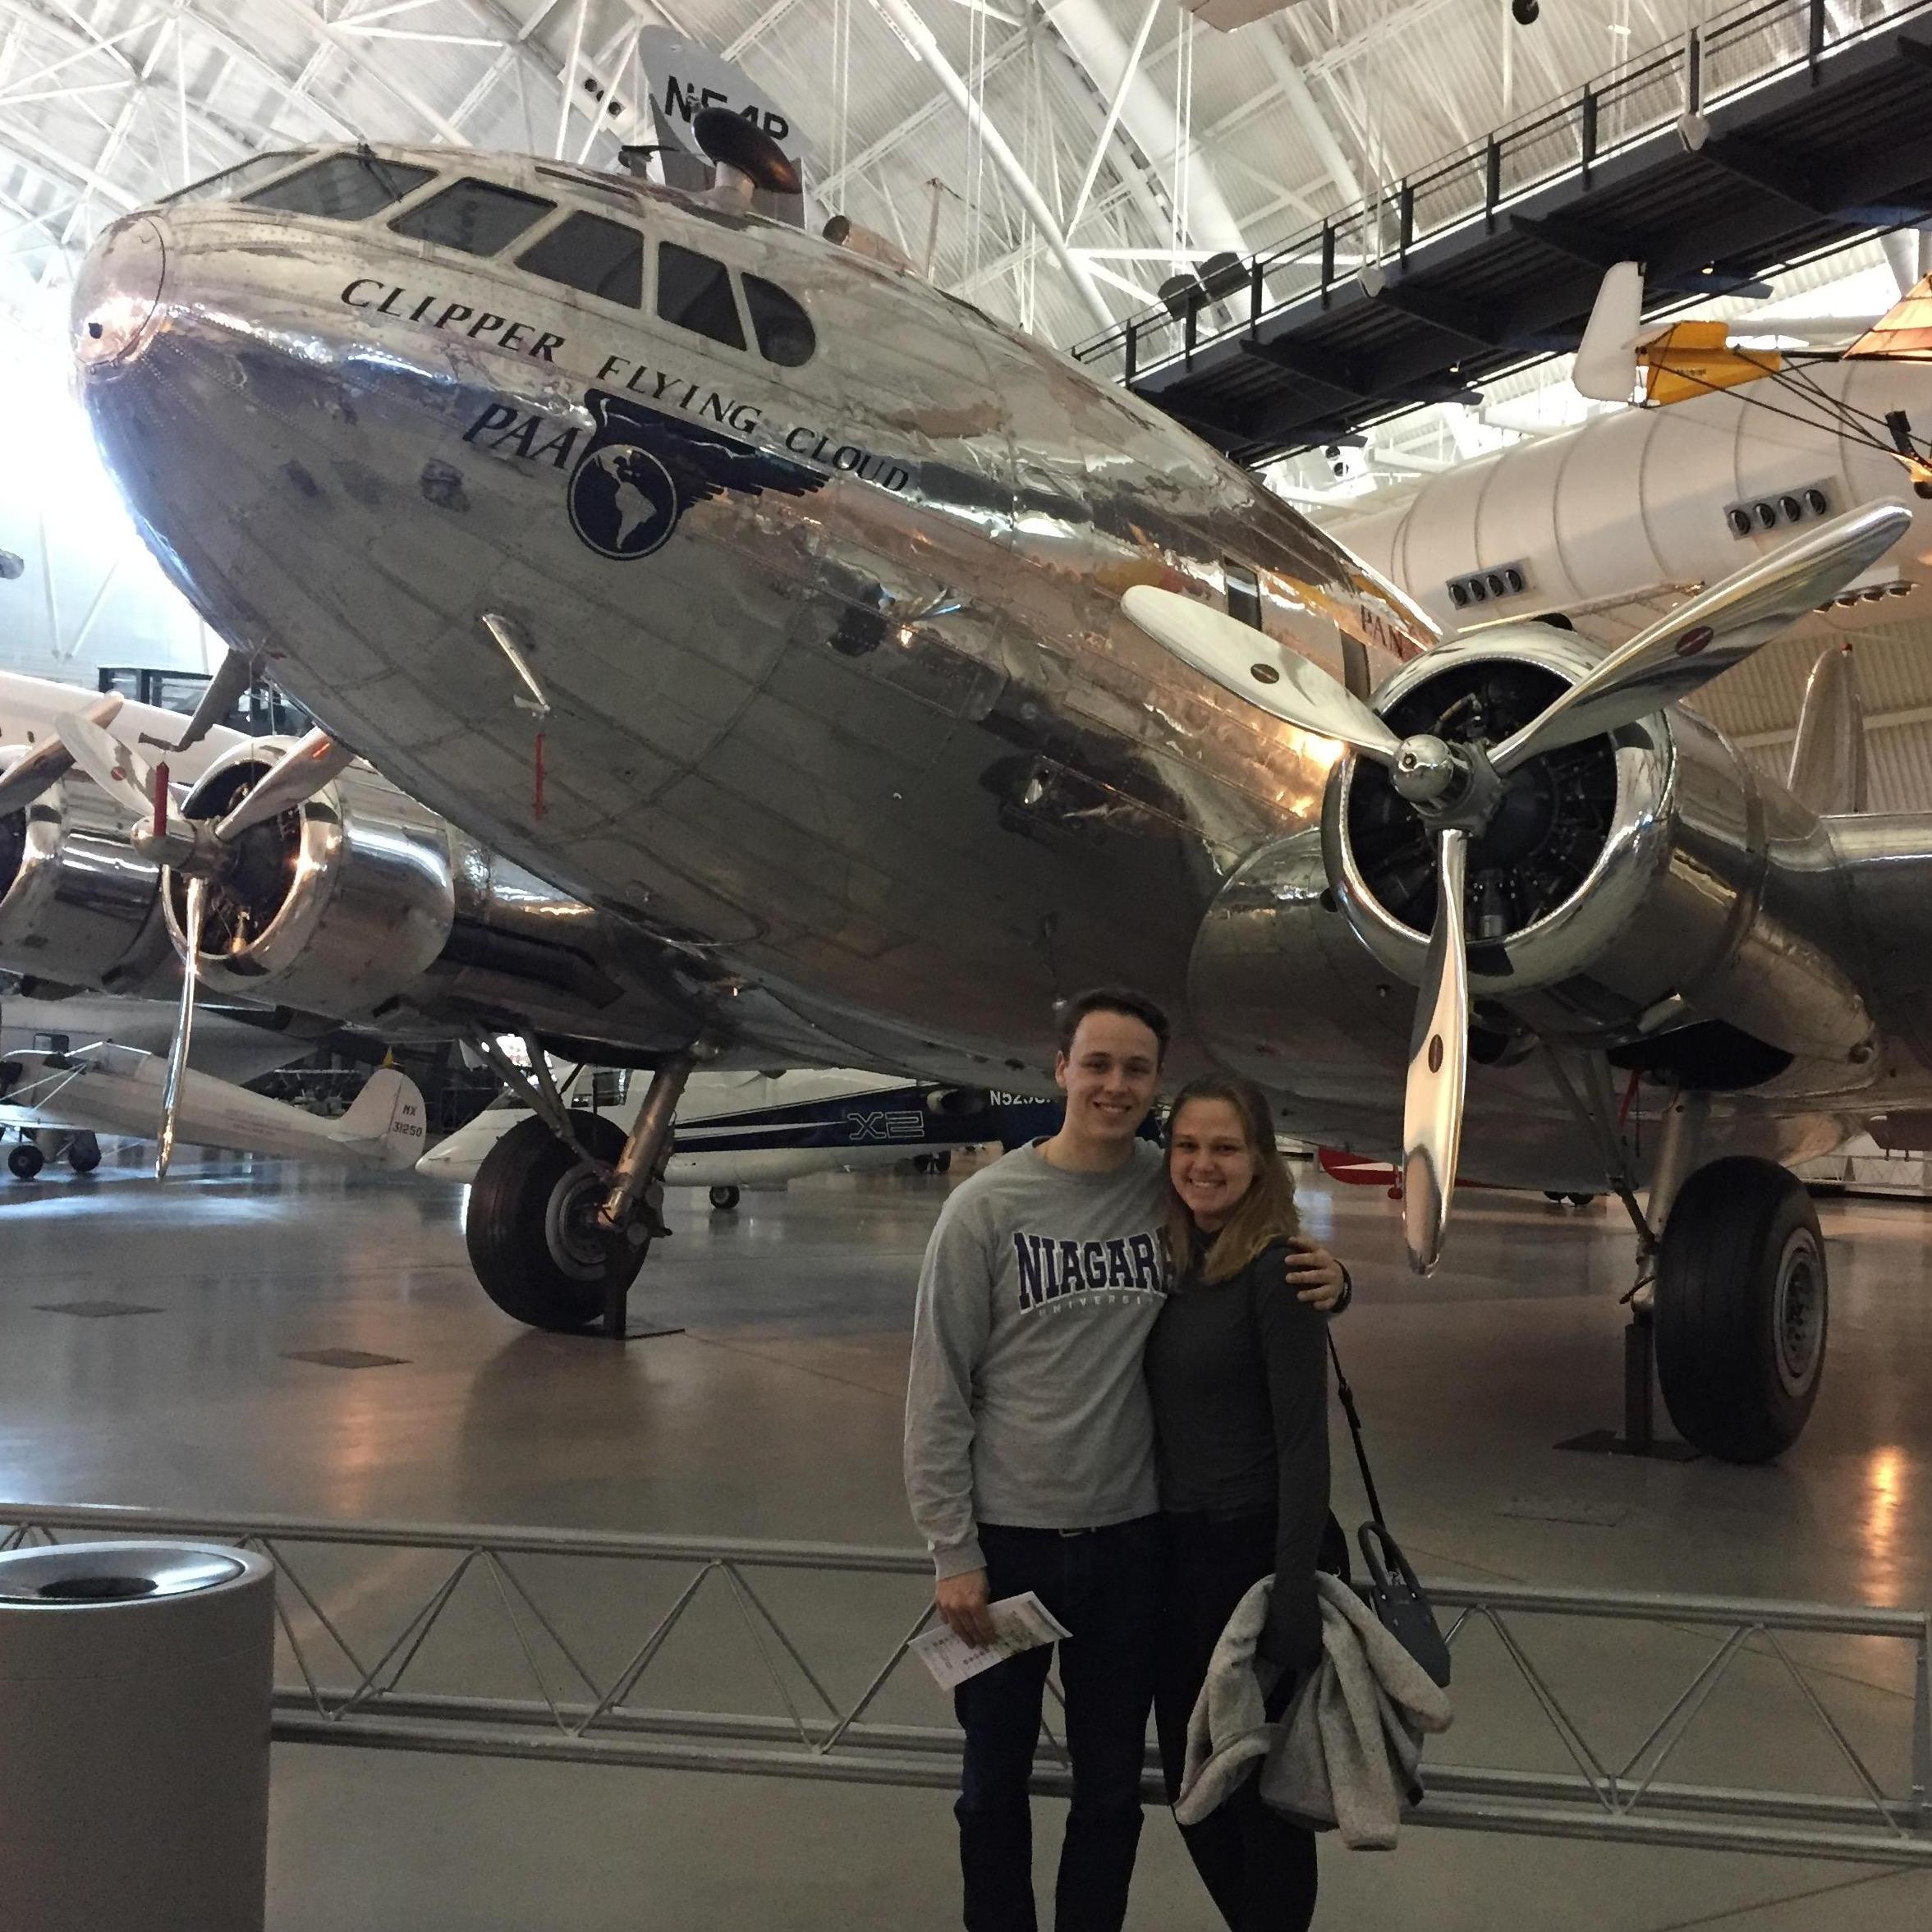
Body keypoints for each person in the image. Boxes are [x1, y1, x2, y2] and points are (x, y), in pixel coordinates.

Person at [903, 990, 1346, 1932]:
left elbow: (1260, 1259)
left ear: (1155, 1083)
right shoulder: (984, 1209)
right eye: (1095, 1063)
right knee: (990, 1786)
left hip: (1130, 1547)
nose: (1113, 1084)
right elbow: (937, 1389)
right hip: (1009, 1551)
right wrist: (952, 1549)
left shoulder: (1169, 1186)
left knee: (1110, 1794)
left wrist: (1333, 1281)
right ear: (1059, 1067)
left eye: (1135, 1069)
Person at [1145, 1075, 1338, 1932]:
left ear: (1259, 1160)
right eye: (1187, 1145)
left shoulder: (1279, 1268)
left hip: (1251, 1562)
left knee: (1256, 1793)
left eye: (1224, 1147)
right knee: (1195, 1778)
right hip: (1175, 1560)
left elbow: (1305, 1442)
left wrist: (1292, 1594)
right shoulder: (1173, 1259)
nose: (1202, 1164)